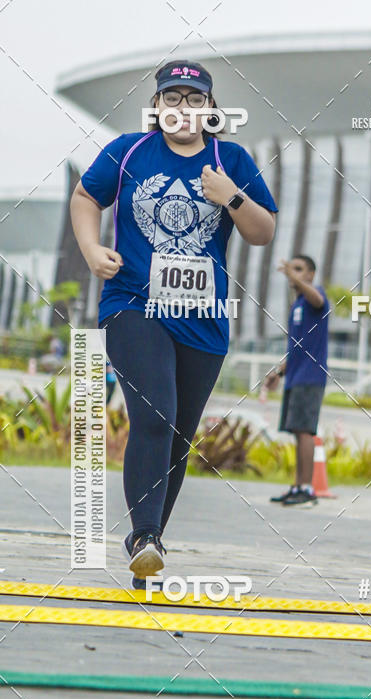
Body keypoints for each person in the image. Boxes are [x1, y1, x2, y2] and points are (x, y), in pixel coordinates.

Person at [70, 59, 277, 587]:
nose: (181, 108)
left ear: (210, 108)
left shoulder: (229, 158)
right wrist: (93, 249)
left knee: (179, 436)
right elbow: (85, 197)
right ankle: (144, 535)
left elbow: (263, 231)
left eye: (193, 98)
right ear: (156, 105)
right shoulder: (128, 152)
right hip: (133, 305)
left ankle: (150, 544)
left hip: (202, 319)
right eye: (171, 97)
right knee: (155, 416)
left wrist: (229, 195)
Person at [265, 255, 329, 507]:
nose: (293, 273)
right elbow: (296, 348)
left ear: (311, 274)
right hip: (295, 376)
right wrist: (279, 373)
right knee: (296, 431)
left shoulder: (315, 298)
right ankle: (297, 486)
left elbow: (318, 299)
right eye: (291, 268)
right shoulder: (298, 305)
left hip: (310, 377)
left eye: (299, 269)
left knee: (305, 431)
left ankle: (307, 489)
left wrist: (293, 277)